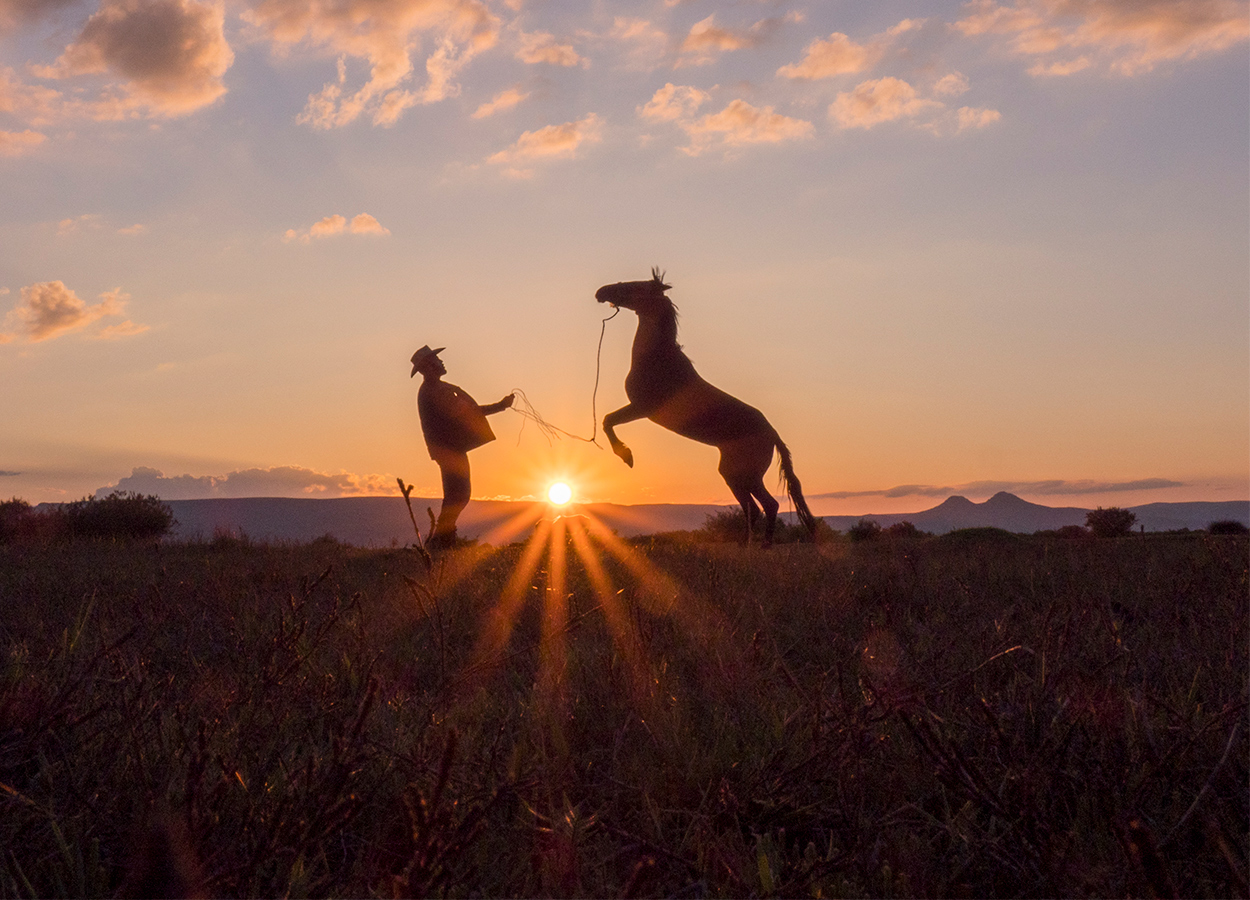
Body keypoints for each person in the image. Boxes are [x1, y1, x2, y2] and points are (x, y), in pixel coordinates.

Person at [410, 345, 514, 547]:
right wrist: (500, 406)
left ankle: (443, 539)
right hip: (449, 450)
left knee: (457, 495)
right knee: (458, 495)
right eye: (437, 361)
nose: (441, 362)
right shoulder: (435, 390)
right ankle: (441, 541)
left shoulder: (433, 389)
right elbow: (467, 413)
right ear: (430, 367)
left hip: (449, 449)